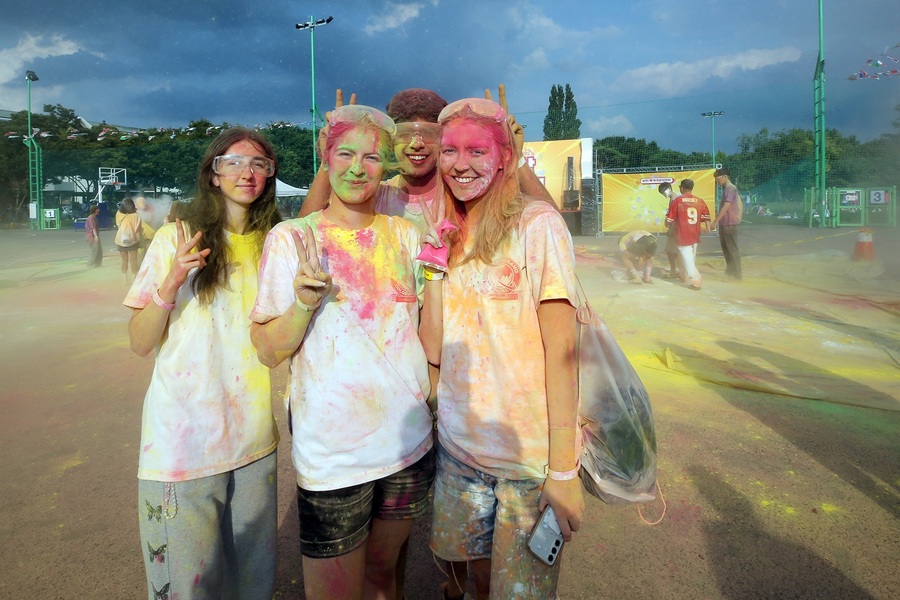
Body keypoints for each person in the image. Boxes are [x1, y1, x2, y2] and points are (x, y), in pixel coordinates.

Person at [250, 105, 436, 600]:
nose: (357, 167)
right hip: (333, 457)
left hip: (407, 445)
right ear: (325, 157)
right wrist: (303, 305)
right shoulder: (293, 238)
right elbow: (269, 350)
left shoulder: (408, 236)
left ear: (386, 164)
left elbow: (430, 333)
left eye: (372, 157)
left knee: (383, 576)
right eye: (346, 153)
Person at [419, 98, 583, 599]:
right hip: (458, 452)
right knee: (469, 582)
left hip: (527, 462)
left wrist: (563, 470)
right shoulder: (446, 231)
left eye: (476, 150)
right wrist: (431, 271)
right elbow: (435, 348)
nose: (460, 165)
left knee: (520, 593)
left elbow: (562, 351)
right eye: (449, 151)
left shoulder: (537, 226)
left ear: (504, 157)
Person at [124, 127, 282, 600]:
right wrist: (170, 283)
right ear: (213, 174)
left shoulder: (276, 243)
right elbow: (138, 341)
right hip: (182, 445)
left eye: (259, 164)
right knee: (188, 588)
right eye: (233, 162)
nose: (246, 173)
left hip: (254, 441)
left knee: (252, 584)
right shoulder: (176, 237)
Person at [665, 178, 711, 290]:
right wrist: (708, 228)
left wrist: (667, 223)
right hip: (695, 233)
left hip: (683, 233)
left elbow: (669, 220)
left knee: (688, 258)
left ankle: (696, 281)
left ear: (682, 188)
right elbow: (707, 217)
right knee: (690, 257)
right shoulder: (700, 201)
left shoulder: (678, 201)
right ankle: (684, 274)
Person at [710, 167, 743, 280]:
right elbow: (739, 203)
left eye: (717, 178)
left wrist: (715, 221)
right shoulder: (728, 189)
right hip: (725, 223)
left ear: (724, 176)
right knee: (726, 248)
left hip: (729, 223)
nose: (716, 181)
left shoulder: (730, 188)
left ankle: (736, 274)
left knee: (731, 248)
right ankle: (730, 271)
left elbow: (727, 206)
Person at [657, 182, 685, 281]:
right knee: (671, 251)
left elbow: (676, 217)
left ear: (668, 189)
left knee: (675, 252)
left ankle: (681, 273)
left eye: (663, 192)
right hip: (676, 228)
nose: (663, 195)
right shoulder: (674, 198)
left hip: (676, 229)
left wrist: (671, 230)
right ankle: (675, 271)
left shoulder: (675, 199)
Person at [115, 197, 142, 282]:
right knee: (133, 260)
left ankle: (124, 279)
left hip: (120, 240)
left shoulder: (119, 214)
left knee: (124, 260)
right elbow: (138, 229)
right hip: (133, 240)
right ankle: (134, 278)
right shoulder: (136, 215)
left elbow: (118, 225)